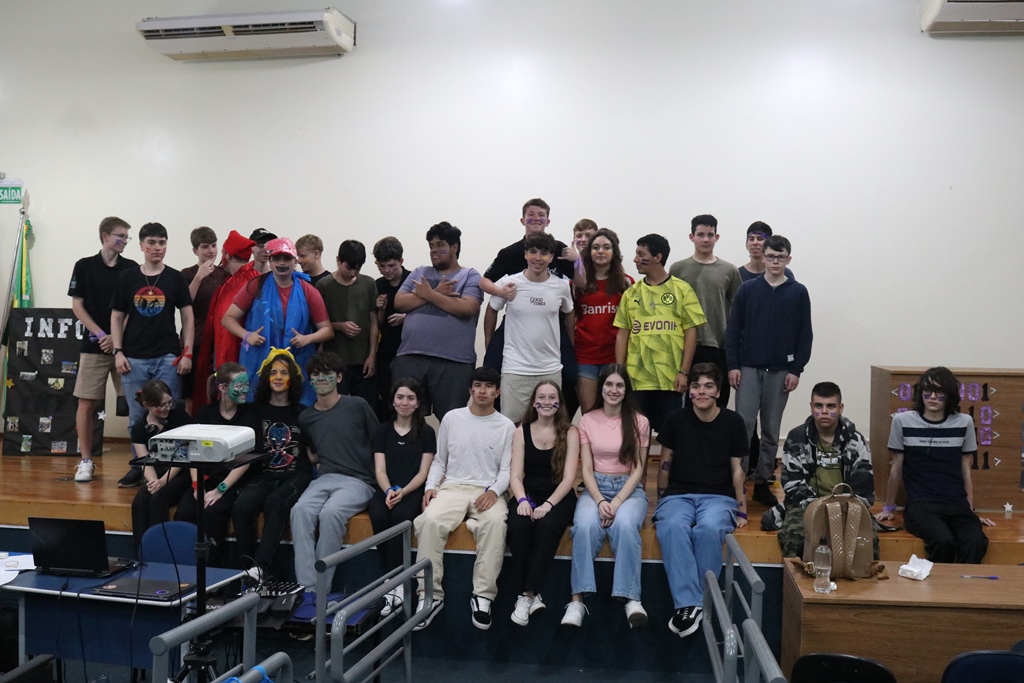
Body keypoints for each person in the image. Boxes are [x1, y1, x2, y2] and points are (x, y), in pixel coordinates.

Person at [413, 366, 515, 631]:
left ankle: (483, 597)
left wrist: (494, 491)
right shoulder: (452, 418)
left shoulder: (506, 426)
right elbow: (440, 460)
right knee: (429, 521)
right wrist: (431, 486)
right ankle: (429, 596)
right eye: (478, 385)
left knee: (495, 524)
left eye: (489, 386)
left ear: (497, 392)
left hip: (488, 490)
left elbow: (507, 470)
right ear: (470, 389)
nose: (483, 391)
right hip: (453, 487)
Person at [652, 363, 748, 638]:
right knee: (671, 526)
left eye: (708, 386)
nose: (702, 391)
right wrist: (661, 500)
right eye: (696, 386)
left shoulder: (733, 422)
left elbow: (737, 469)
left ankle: (698, 601)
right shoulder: (675, 420)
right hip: (679, 494)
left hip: (719, 496)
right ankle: (691, 604)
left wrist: (742, 509)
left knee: (708, 529)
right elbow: (665, 463)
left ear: (718, 391)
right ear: (689, 391)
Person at [725, 234, 813, 508]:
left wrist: (796, 369)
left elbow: (805, 334)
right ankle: (737, 480)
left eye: (780, 257)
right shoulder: (748, 290)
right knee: (744, 425)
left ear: (789, 259)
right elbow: (733, 330)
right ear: (763, 257)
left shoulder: (798, 292)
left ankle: (763, 481)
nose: (775, 261)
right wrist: (733, 365)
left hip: (780, 371)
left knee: (772, 430)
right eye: (771, 256)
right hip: (748, 369)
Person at [875, 367, 995, 563]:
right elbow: (896, 467)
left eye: (939, 392)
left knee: (974, 541)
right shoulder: (902, 420)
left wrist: (970, 511)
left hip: (956, 503)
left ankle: (963, 581)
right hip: (921, 503)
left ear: (949, 395)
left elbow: (965, 469)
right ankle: (940, 582)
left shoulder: (964, 422)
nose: (932, 397)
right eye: (927, 390)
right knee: (943, 540)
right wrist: (888, 508)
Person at [562, 365, 650, 629]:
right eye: (609, 385)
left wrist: (617, 502)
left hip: (628, 490)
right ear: (601, 388)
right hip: (595, 488)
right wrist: (600, 500)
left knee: (625, 525)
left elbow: (638, 470)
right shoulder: (587, 420)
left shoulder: (640, 421)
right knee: (584, 526)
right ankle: (577, 601)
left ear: (626, 390)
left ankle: (632, 599)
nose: (614, 390)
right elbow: (586, 469)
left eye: (619, 385)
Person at [111, 222, 194, 488]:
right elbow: (116, 317)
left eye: (162, 243)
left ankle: (169, 467)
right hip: (133, 357)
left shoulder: (175, 278)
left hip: (167, 357)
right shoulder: (128, 277)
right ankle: (140, 466)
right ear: (141, 245)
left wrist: (187, 353)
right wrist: (118, 351)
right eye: (152, 243)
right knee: (137, 417)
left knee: (169, 413)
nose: (157, 248)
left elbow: (188, 318)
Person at [480, 199, 579, 417]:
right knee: (491, 369)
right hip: (515, 328)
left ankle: (563, 419)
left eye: (541, 215)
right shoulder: (509, 258)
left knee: (572, 376)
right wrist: (500, 292)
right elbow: (484, 283)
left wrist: (579, 259)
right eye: (531, 215)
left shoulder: (560, 253)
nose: (538, 258)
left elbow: (579, 290)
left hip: (551, 325)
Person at [291, 352, 379, 589]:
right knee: (300, 511)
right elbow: (313, 451)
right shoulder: (306, 417)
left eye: (327, 373)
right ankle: (307, 589)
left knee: (331, 513)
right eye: (315, 374)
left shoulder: (358, 405)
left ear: (339, 377)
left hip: (360, 480)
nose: (321, 378)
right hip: (325, 478)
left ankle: (321, 589)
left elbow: (379, 442)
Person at [765, 382, 876, 560]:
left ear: (840, 408)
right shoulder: (796, 437)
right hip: (806, 506)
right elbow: (793, 484)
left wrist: (837, 510)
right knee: (796, 538)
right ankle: (798, 578)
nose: (824, 412)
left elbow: (863, 488)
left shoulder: (856, 441)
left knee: (867, 542)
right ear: (811, 407)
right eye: (818, 406)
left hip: (847, 508)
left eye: (831, 406)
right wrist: (819, 510)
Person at [223, 237, 333, 406]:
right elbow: (228, 319)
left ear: (295, 261)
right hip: (259, 360)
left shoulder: (308, 290)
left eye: (287, 258)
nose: (282, 263)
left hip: (297, 361)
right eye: (277, 258)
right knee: (258, 406)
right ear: (270, 261)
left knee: (297, 406)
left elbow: (327, 329)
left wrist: (308, 338)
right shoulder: (255, 285)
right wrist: (247, 335)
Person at [232, 348, 313, 578]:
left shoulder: (302, 412)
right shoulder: (254, 410)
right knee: (241, 506)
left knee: (275, 503)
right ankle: (245, 569)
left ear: (292, 378)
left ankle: (260, 569)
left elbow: (313, 451)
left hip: (296, 475)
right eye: (274, 372)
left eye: (284, 373)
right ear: (267, 377)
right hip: (264, 475)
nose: (278, 377)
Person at [69, 216, 138, 482]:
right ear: (105, 236)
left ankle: (140, 461)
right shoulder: (84, 266)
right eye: (120, 236)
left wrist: (115, 337)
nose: (124, 241)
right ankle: (86, 461)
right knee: (86, 403)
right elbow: (78, 306)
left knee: (137, 404)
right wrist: (101, 335)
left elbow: (132, 309)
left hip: (125, 348)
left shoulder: (131, 268)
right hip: (94, 346)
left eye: (127, 237)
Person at [614, 234, 705, 435]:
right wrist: (619, 372)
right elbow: (622, 334)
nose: (636, 259)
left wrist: (684, 372)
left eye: (641, 254)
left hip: (670, 379)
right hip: (637, 378)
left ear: (658, 257)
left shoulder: (682, 290)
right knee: (637, 434)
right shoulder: (631, 293)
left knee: (670, 435)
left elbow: (691, 332)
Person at [392, 222, 483, 420]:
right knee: (407, 420)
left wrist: (428, 294)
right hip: (411, 356)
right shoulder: (420, 272)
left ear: (454, 248)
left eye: (440, 245)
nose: (434, 250)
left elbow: (467, 308)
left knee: (452, 420)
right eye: (431, 246)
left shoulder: (470, 275)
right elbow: (399, 302)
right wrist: (436, 293)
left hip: (454, 361)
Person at [506, 381, 579, 626]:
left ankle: (526, 595)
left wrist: (548, 504)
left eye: (552, 397)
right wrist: (522, 500)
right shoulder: (521, 431)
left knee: (547, 526)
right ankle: (533, 595)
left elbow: (569, 478)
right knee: (518, 526)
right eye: (542, 397)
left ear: (559, 402)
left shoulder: (570, 432)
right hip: (528, 493)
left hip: (558, 495)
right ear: (534, 402)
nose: (547, 402)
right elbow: (516, 476)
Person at [369, 378, 435, 616]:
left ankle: (395, 584)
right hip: (387, 488)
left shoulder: (426, 432)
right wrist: (389, 490)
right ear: (393, 401)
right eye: (400, 397)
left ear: (417, 403)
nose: (405, 403)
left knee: (400, 517)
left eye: (410, 398)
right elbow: (380, 470)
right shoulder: (382, 430)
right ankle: (392, 579)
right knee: (378, 515)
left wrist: (403, 492)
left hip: (412, 490)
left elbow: (423, 472)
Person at [177, 362, 251, 567]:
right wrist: (196, 486)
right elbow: (194, 453)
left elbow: (246, 459)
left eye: (246, 385)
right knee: (185, 512)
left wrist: (220, 490)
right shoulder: (205, 413)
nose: (244, 390)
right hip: (205, 478)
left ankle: (213, 570)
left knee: (212, 513)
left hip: (232, 481)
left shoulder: (249, 414)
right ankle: (185, 568)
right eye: (239, 385)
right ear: (223, 388)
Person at [669, 214, 741, 408]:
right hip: (685, 345)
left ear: (717, 237)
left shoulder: (730, 270)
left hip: (718, 343)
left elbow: (738, 311)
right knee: (686, 402)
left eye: (710, 235)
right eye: (700, 234)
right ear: (691, 237)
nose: (706, 239)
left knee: (717, 400)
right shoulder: (678, 269)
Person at [192, 230, 257, 412]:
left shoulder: (238, 283)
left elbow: (225, 332)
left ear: (227, 255)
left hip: (236, 355)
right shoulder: (249, 279)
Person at [129, 379, 194, 554]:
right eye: (161, 405)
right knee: (139, 502)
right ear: (147, 405)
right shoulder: (139, 428)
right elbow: (145, 460)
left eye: (169, 403)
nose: (167, 408)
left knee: (159, 499)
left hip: (181, 471)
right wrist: (153, 481)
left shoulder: (180, 418)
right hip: (157, 474)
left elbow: (183, 458)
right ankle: (141, 553)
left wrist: (163, 482)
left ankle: (159, 551)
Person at [574, 228, 633, 413]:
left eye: (606, 247)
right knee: (589, 412)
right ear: (589, 251)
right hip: (585, 356)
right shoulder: (577, 284)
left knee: (614, 412)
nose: (600, 251)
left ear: (614, 252)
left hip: (614, 356)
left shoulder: (627, 283)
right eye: (596, 247)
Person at [317, 239, 379, 412]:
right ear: (338, 260)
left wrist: (372, 355)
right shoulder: (324, 286)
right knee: (336, 410)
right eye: (349, 267)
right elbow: (317, 323)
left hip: (363, 361)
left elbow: (374, 322)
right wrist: (339, 326)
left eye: (357, 268)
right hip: (335, 362)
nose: (353, 273)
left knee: (368, 409)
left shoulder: (368, 284)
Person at [181, 226, 228, 414]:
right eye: (205, 247)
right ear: (195, 250)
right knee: (191, 394)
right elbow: (184, 303)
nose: (210, 251)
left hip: (219, 342)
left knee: (218, 391)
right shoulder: (187, 274)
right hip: (196, 341)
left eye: (214, 245)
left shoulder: (224, 274)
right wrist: (199, 277)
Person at [372, 237, 411, 417]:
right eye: (382, 266)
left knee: (410, 398)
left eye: (391, 266)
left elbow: (426, 313)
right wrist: (381, 310)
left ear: (401, 261)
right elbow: (378, 324)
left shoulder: (413, 280)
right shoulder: (378, 285)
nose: (387, 270)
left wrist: (406, 318)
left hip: (410, 350)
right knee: (388, 400)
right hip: (387, 350)